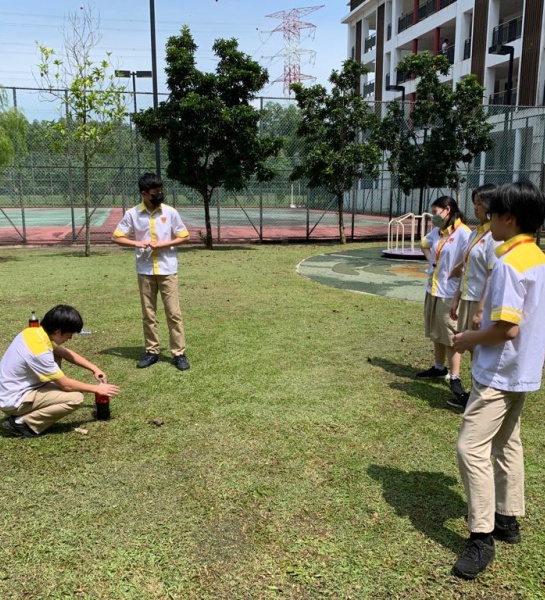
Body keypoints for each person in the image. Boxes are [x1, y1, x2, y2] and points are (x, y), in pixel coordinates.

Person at [451, 181, 545, 579]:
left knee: (470, 447)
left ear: (510, 219)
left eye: (492, 214)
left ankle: (481, 536)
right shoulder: (535, 256)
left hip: (500, 372)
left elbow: (506, 328)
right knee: (508, 442)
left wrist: (469, 338)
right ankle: (508, 518)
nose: (486, 219)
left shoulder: (509, 263)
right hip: (523, 371)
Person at [0, 305, 120, 438]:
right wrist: (97, 389)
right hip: (13, 399)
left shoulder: (34, 332)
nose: (70, 338)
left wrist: (94, 368)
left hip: (12, 389)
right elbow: (66, 384)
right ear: (58, 331)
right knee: (75, 398)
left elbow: (65, 353)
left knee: (57, 354)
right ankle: (21, 423)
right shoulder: (39, 352)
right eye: (70, 334)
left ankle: (23, 415)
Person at [112, 172, 191, 371]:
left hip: (167, 269)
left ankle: (179, 353)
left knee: (173, 313)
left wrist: (165, 244)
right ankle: (152, 351)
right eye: (156, 192)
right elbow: (117, 237)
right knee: (148, 313)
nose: (160, 195)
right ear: (144, 193)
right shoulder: (132, 214)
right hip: (145, 270)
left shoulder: (170, 212)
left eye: (161, 191)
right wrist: (137, 242)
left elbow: (185, 236)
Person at [447, 183, 500, 410]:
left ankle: (480, 398)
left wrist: (480, 310)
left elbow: (490, 275)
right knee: (471, 348)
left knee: (479, 349)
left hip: (482, 301)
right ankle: (475, 394)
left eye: (480, 203)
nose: (475, 207)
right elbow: (466, 268)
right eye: (474, 203)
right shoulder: (476, 232)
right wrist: (457, 298)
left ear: (491, 206)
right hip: (468, 297)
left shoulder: (493, 236)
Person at [417, 196, 471, 402]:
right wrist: (432, 261)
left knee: (449, 334)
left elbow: (468, 262)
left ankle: (455, 377)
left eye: (436, 212)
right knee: (435, 330)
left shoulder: (463, 233)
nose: (434, 217)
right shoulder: (438, 232)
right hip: (433, 288)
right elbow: (424, 243)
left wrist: (458, 276)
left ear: (447, 210)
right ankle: (439, 367)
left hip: (450, 292)